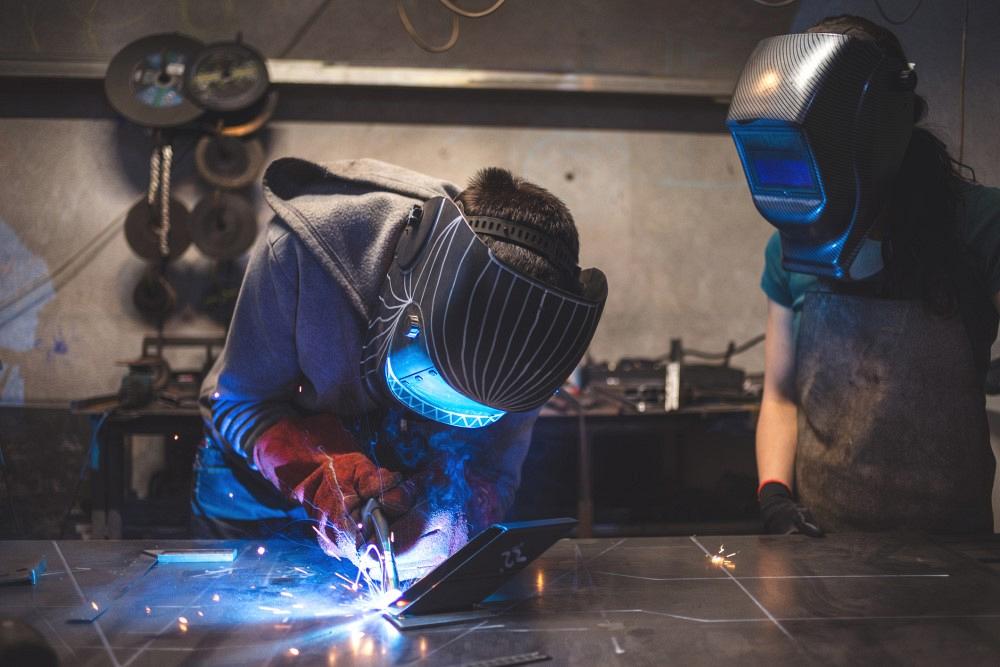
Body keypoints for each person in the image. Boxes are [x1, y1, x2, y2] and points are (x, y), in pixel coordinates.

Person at [194, 157, 607, 575]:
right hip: (255, 489)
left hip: (397, 499)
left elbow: (494, 470)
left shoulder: (536, 333)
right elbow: (240, 403)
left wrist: (452, 513)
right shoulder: (302, 249)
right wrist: (322, 474)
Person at [728, 15, 1000, 535]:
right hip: (823, 543)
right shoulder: (794, 245)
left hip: (953, 552)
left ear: (877, 131)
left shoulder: (980, 224)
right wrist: (775, 495)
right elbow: (781, 396)